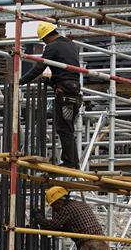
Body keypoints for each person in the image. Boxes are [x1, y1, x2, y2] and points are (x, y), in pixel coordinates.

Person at [19, 22, 83, 169]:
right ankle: (74, 163)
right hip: (74, 91)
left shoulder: (52, 47)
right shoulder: (71, 45)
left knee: (63, 129)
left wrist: (21, 81)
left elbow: (39, 67)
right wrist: (50, 81)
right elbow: (66, 72)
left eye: (43, 40)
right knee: (68, 128)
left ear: (46, 37)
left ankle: (69, 162)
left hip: (65, 94)